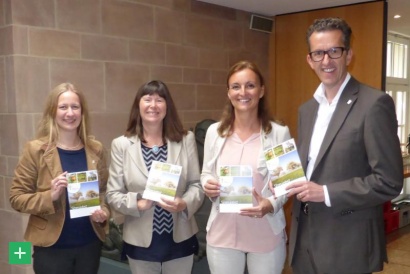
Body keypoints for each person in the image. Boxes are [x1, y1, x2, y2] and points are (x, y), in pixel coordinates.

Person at [286, 17, 404, 274]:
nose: (326, 61)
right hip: (304, 241)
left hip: (347, 246)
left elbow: (389, 181)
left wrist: (326, 193)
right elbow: (309, 170)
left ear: (348, 55)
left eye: (334, 51)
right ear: (310, 60)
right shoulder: (307, 110)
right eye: (318, 53)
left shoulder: (374, 104)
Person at [9, 83, 110, 274]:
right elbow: (16, 198)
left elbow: (103, 191)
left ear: (82, 112)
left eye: (75, 107)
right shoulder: (36, 150)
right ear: (52, 112)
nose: (70, 113)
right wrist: (50, 196)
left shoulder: (95, 149)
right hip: (51, 249)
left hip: (89, 245)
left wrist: (103, 211)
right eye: (63, 107)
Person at [201, 60, 291, 274]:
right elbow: (206, 172)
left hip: (265, 233)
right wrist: (207, 185)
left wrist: (270, 203)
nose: (243, 92)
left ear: (261, 91)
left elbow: (287, 184)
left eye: (250, 85)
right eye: (236, 86)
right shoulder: (215, 132)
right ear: (228, 92)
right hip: (222, 234)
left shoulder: (279, 133)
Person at [106, 80, 204, 274]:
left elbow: (197, 185)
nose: (153, 105)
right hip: (140, 240)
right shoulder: (122, 145)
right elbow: (113, 194)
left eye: (159, 100)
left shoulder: (185, 140)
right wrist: (137, 203)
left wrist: (183, 203)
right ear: (138, 105)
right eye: (148, 99)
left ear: (167, 106)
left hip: (179, 237)